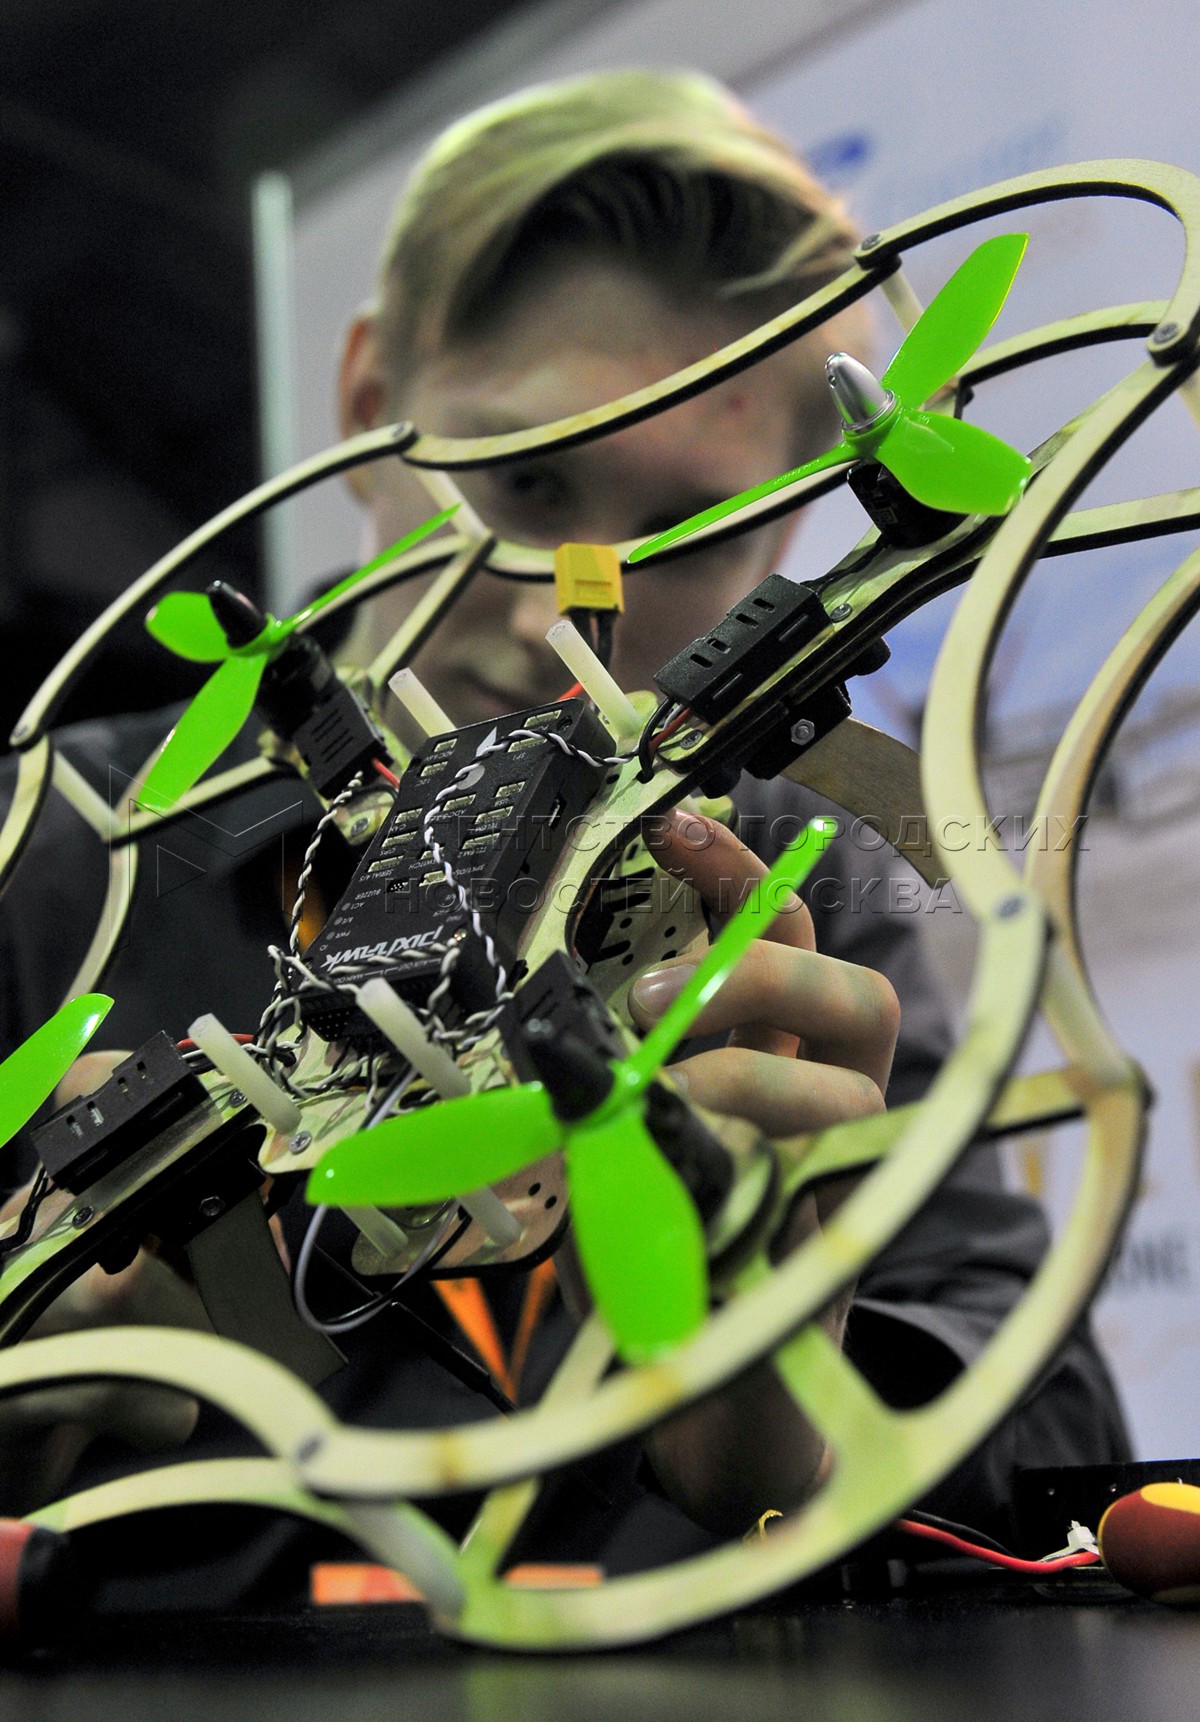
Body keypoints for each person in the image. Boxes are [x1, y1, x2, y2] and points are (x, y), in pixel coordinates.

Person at [0, 70, 1127, 1596]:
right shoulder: (54, 854)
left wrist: (798, 1399)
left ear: (792, 531)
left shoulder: (804, 892)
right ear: (368, 400)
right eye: (525, 481)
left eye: (687, 529)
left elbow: (1051, 1416)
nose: (555, 613)